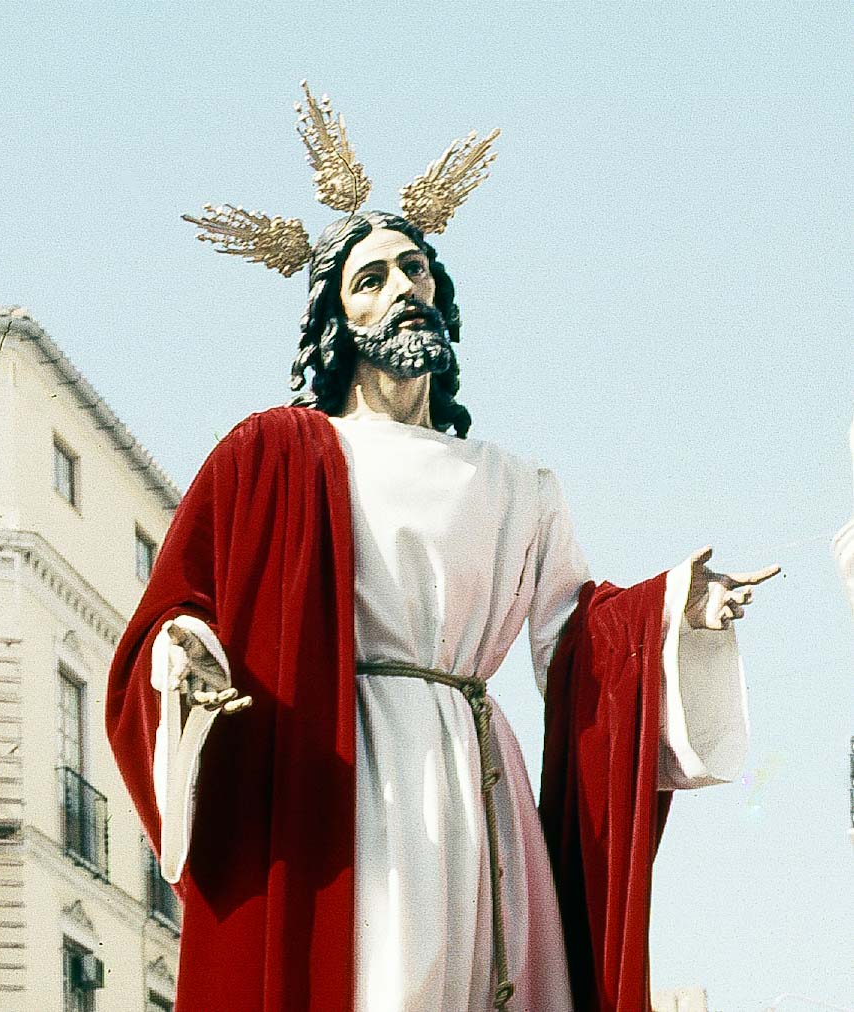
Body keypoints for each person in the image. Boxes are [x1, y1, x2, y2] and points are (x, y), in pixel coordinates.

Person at [106, 88, 778, 1012]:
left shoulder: (515, 483)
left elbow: (576, 640)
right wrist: (180, 651)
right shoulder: (275, 454)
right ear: (337, 321)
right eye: (370, 279)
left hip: (473, 773)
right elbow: (180, 605)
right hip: (346, 781)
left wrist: (674, 616)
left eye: (415, 270)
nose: (402, 291)